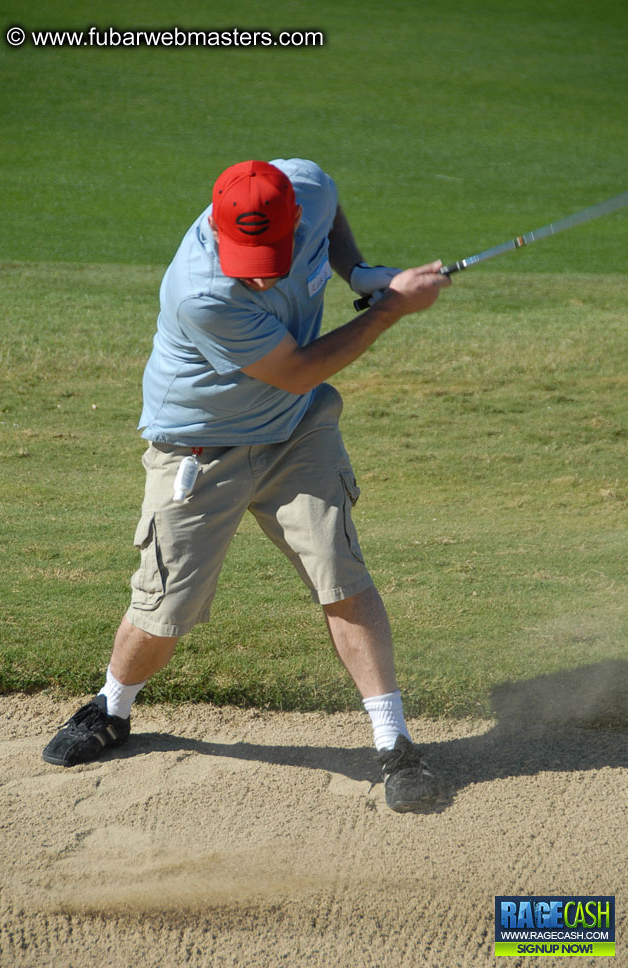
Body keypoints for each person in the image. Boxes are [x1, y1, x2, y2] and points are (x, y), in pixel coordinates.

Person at [42, 158, 450, 812]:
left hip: (297, 433)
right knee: (164, 609)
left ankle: (394, 744)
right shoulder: (200, 290)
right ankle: (111, 709)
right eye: (243, 254)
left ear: (294, 216)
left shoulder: (308, 190)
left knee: (341, 575)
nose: (258, 270)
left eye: (268, 252)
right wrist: (393, 308)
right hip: (202, 447)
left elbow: (331, 210)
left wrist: (363, 273)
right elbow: (297, 368)